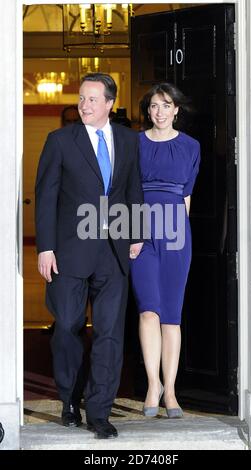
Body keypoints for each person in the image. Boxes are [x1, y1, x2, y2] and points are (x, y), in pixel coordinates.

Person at [35, 73, 143, 439]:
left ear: (110, 103)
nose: (83, 105)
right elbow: (47, 196)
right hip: (68, 252)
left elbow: (133, 189)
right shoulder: (60, 141)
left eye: (92, 99)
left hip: (114, 252)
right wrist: (45, 247)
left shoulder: (129, 140)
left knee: (110, 333)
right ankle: (69, 399)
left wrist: (137, 233)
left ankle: (99, 411)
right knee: (67, 326)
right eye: (81, 98)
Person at [130, 83, 200, 418]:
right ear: (148, 111)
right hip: (141, 233)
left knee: (171, 315)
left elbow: (186, 198)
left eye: (166, 105)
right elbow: (126, 192)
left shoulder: (191, 147)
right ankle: (151, 384)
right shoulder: (135, 144)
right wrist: (132, 233)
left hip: (176, 235)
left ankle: (170, 390)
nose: (159, 111)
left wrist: (179, 238)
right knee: (148, 311)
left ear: (176, 110)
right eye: (154, 105)